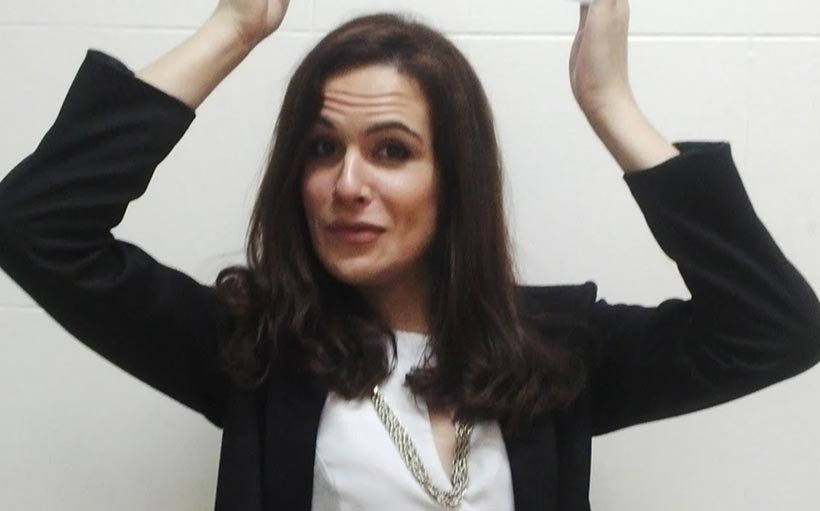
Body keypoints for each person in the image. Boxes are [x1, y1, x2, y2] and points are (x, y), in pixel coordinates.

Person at [0, 0, 818, 509]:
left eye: (391, 150)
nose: (345, 183)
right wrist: (234, 26)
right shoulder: (260, 349)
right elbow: (36, 226)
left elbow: (776, 328)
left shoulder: (555, 352)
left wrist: (611, 103)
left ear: (455, 178)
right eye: (322, 148)